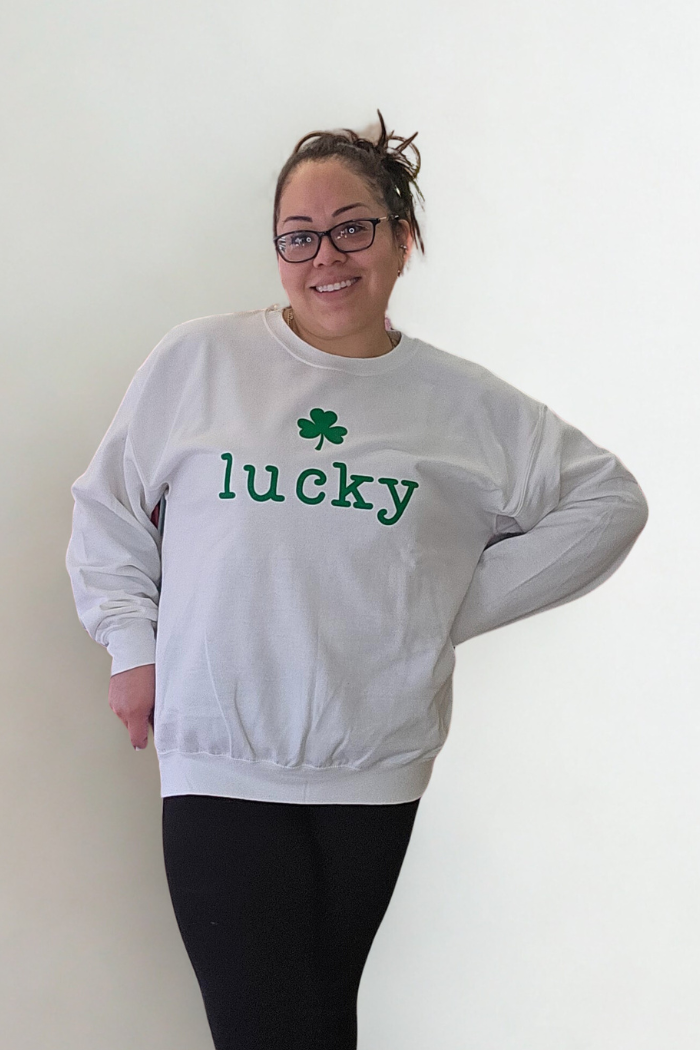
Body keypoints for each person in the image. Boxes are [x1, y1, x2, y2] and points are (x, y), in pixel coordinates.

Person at [65, 109, 649, 1050]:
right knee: (267, 1029)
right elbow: (110, 510)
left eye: (352, 227)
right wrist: (131, 646)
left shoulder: (462, 404)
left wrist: (436, 610)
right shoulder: (201, 361)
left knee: (317, 1024)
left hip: (371, 768)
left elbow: (608, 502)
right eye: (298, 236)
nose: (324, 255)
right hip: (220, 751)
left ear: (401, 238)